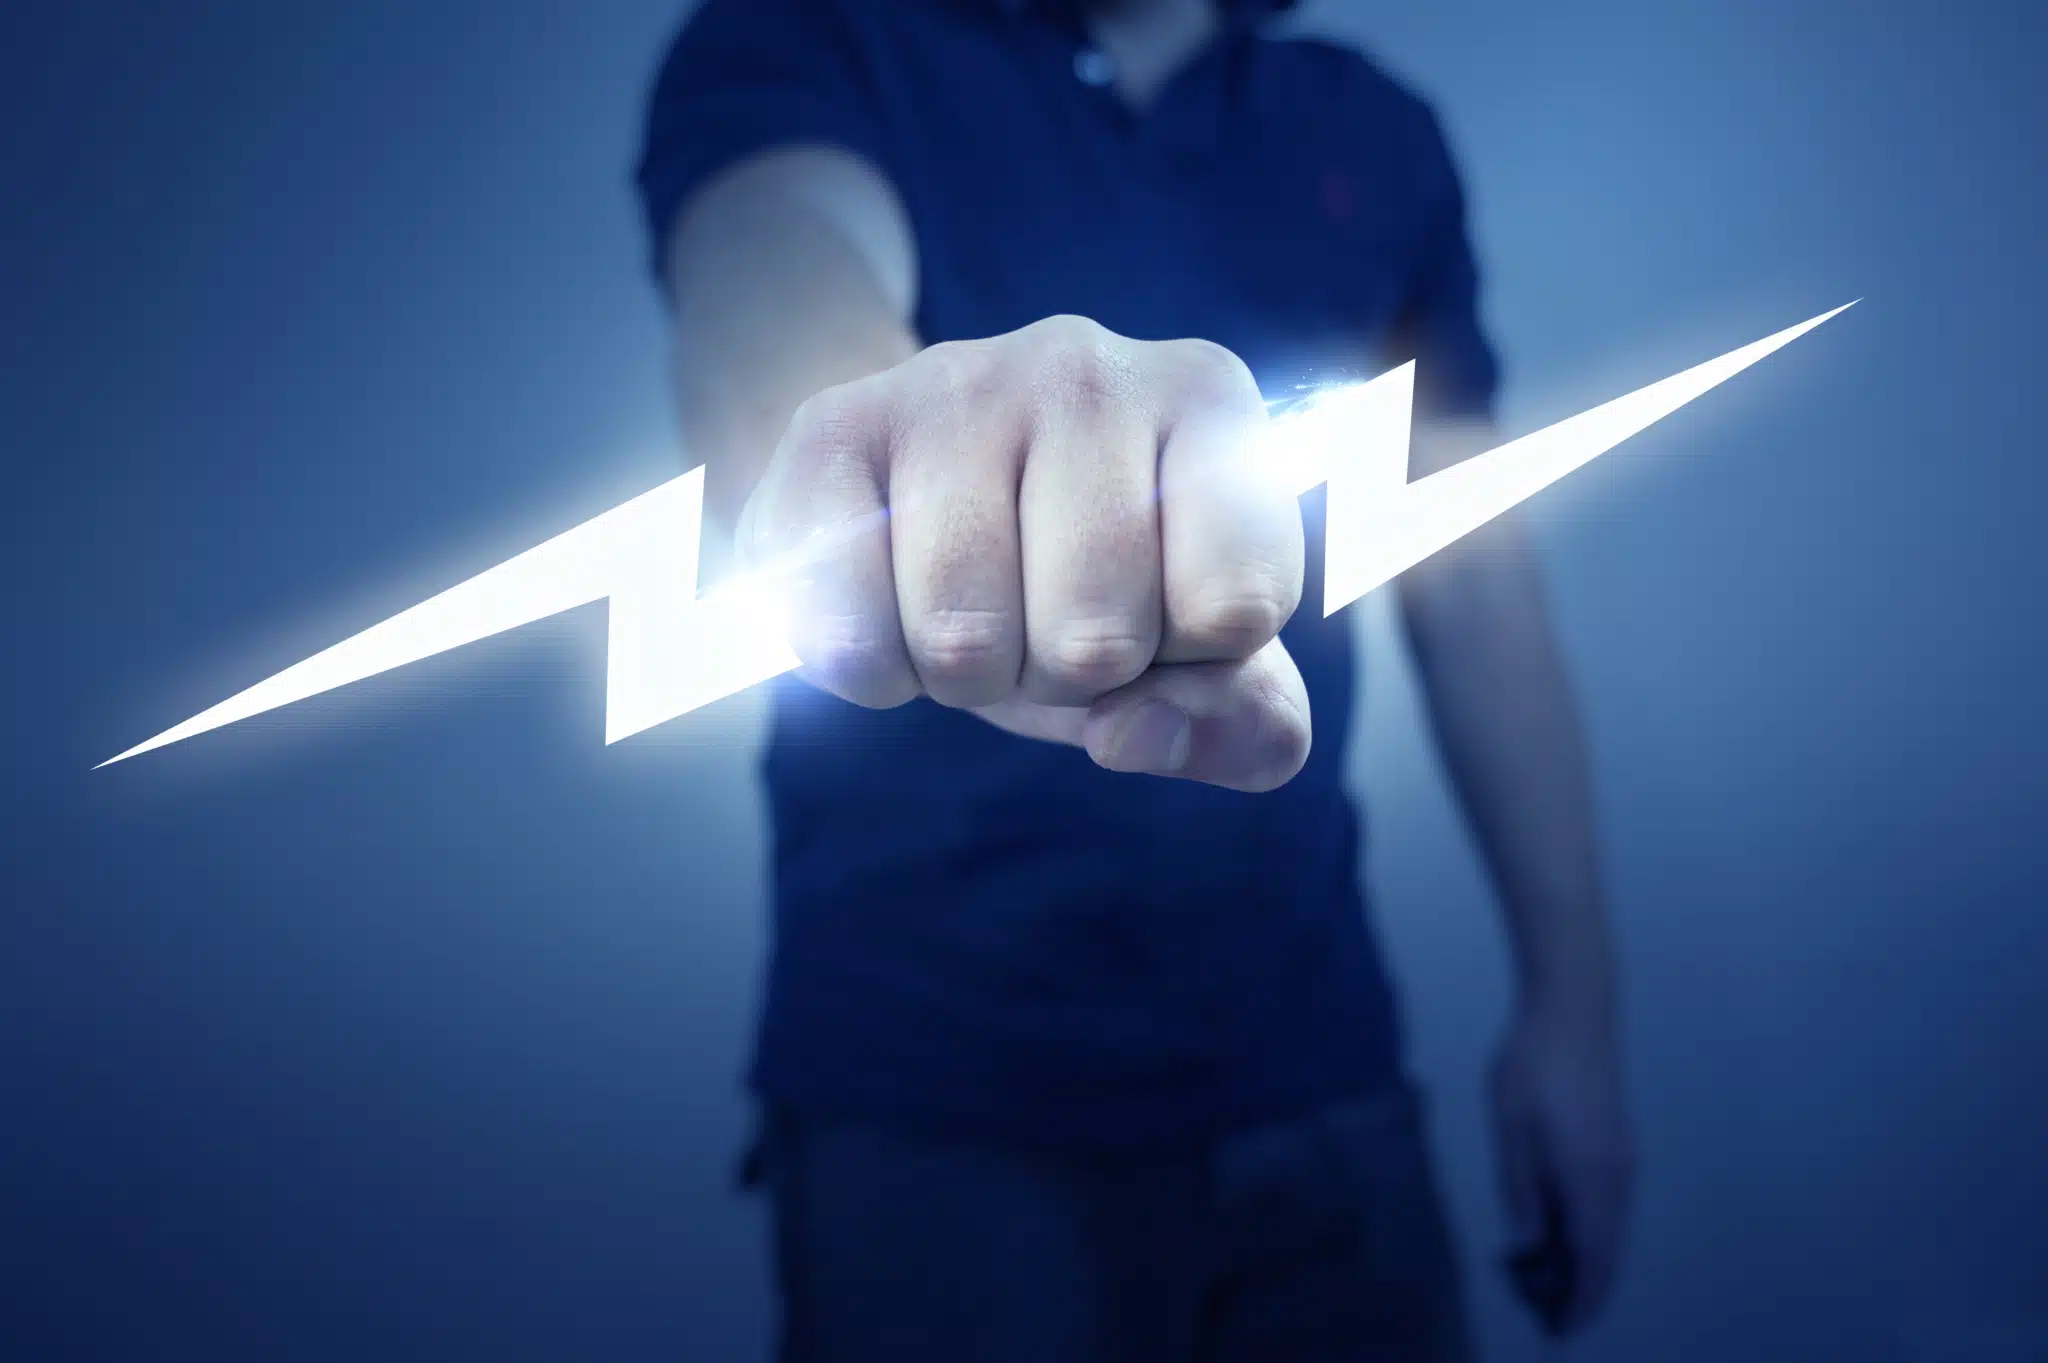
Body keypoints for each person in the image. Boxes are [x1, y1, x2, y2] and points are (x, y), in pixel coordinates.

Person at [635, 1, 1634, 1358]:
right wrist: (887, 449)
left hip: (1314, 1056)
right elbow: (774, 293)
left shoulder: (1370, 131)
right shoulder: (811, 39)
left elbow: (1473, 582)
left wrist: (1571, 1013)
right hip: (929, 1087)